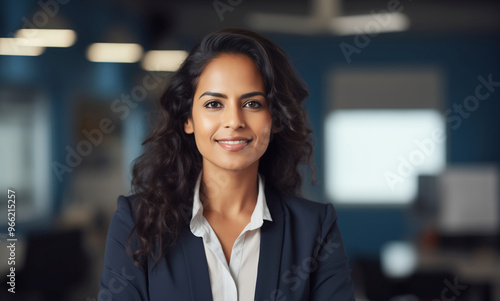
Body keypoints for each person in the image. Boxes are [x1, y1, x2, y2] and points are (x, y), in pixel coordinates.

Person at [99, 27, 355, 301]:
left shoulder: (315, 227)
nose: (234, 121)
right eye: (213, 104)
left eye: (253, 104)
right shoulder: (137, 222)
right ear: (188, 119)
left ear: (276, 119)